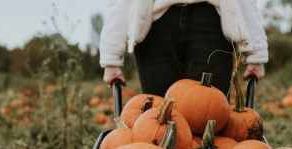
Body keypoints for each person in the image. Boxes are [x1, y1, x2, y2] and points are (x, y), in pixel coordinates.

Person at [100, 0, 268, 98]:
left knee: (211, 116)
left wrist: (256, 54)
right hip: (155, 26)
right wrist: (111, 57)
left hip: (211, 22)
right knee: (158, 116)